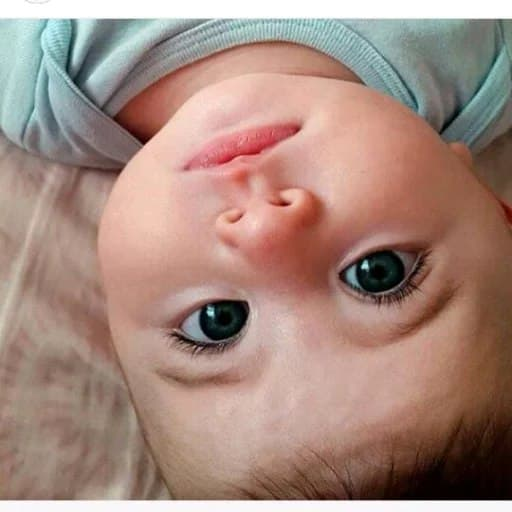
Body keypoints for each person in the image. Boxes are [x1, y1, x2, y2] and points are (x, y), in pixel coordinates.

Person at [2, 19, 512, 498]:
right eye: (379, 273)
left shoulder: (37, 79)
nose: (262, 230)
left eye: (216, 321)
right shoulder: (481, 56)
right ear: (494, 208)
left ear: (113, 326)